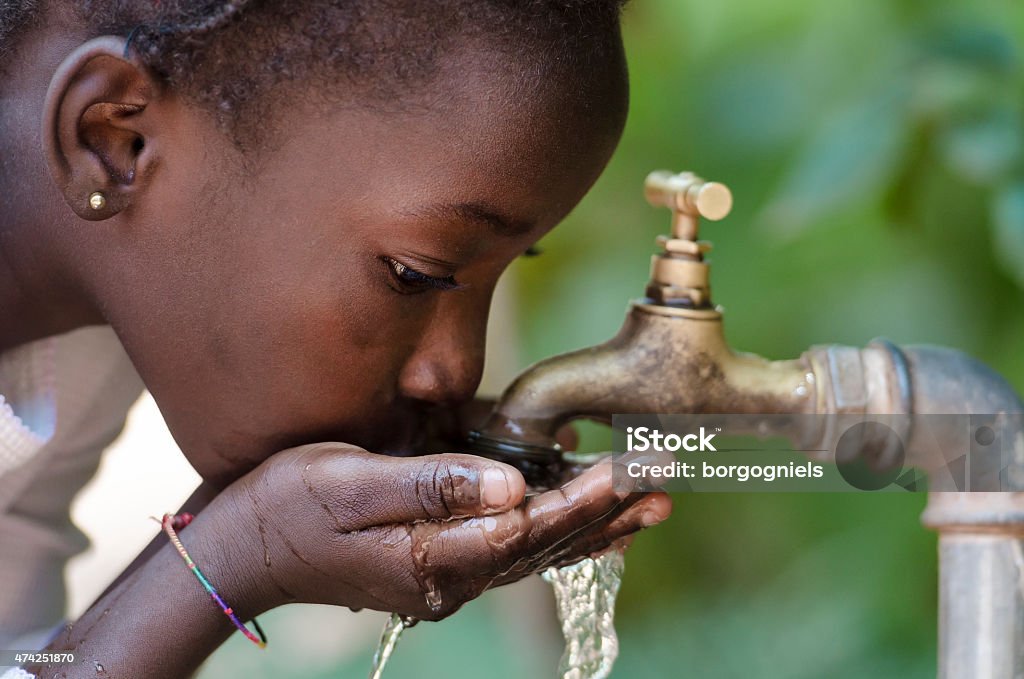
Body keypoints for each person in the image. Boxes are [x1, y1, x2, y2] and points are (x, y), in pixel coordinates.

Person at [0, 1, 673, 677]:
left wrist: (229, 537)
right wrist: (228, 558)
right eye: (416, 274)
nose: (455, 372)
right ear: (113, 140)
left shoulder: (73, 344)